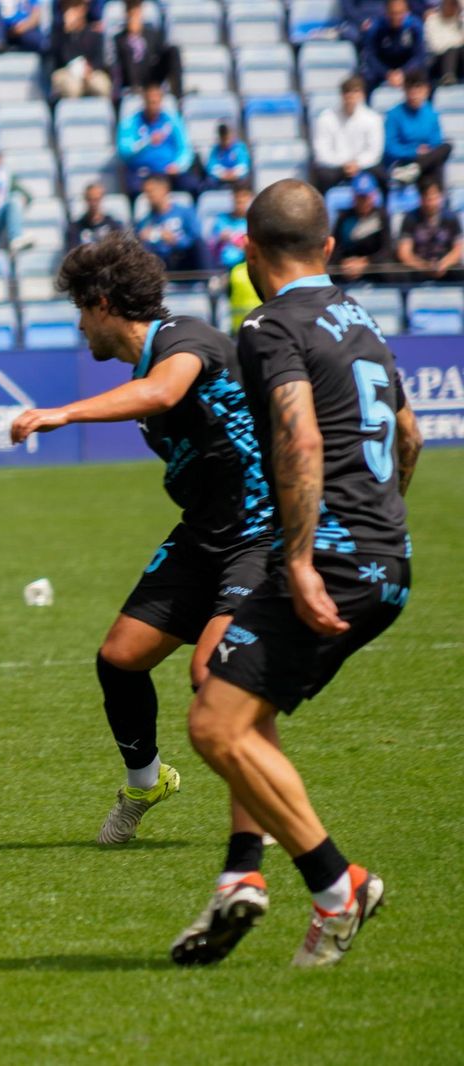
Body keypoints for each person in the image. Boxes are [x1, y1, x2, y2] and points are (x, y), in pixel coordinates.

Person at [171, 179, 423, 968]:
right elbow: (409, 438)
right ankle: (241, 875)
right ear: (328, 250)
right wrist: (379, 528)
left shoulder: (268, 324)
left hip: (334, 558)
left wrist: (306, 559)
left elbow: (300, 440)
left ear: (247, 253)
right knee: (228, 684)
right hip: (386, 556)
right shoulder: (361, 322)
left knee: (212, 725)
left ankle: (337, 884)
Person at [10, 231, 275, 846]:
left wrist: (64, 412)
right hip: (205, 536)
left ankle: (258, 823)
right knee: (119, 659)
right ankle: (146, 780)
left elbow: (163, 391)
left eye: (80, 309)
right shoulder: (146, 361)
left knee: (214, 674)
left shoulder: (186, 337)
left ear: (103, 303)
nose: (79, 326)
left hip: (262, 534)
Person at [118, 84, 201, 198]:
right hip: (143, 172)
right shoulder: (132, 122)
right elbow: (124, 151)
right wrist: (147, 142)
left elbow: (185, 147)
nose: (153, 106)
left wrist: (178, 165)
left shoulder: (172, 120)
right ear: (144, 101)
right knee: (133, 188)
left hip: (169, 171)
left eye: (156, 102)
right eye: (150, 102)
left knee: (192, 184)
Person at [310, 75, 385, 193]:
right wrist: (344, 164)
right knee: (320, 177)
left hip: (363, 166)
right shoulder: (326, 118)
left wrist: (358, 163)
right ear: (341, 95)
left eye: (355, 92)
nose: (351, 97)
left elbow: (374, 151)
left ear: (362, 95)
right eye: (347, 92)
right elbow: (321, 152)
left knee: (383, 177)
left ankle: (383, 210)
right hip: (336, 167)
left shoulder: (373, 118)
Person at [383, 71, 451, 186]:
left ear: (426, 91)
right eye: (410, 90)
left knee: (447, 147)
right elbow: (390, 147)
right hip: (403, 163)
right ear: (404, 91)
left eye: (418, 90)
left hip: (425, 162)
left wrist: (426, 152)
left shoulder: (431, 113)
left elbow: (436, 142)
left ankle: (415, 170)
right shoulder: (394, 114)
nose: (414, 95)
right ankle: (414, 169)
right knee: (434, 164)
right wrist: (414, 152)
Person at [329, 172, 393, 282]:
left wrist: (365, 262)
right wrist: (344, 263)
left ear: (373, 196)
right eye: (360, 197)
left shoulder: (382, 217)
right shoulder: (344, 218)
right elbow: (336, 248)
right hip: (347, 267)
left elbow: (387, 249)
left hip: (373, 267)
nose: (363, 201)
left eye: (366, 197)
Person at [134, 174, 205, 273]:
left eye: (152, 191)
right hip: (159, 261)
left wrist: (175, 240)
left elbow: (195, 236)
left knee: (199, 245)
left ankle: (208, 279)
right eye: (146, 192)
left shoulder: (185, 212)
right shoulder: (145, 221)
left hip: (184, 257)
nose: (149, 196)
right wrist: (142, 238)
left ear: (165, 189)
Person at [396, 178, 464, 280]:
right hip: (419, 267)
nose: (431, 203)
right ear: (421, 199)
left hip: (445, 266)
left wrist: (444, 264)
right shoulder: (410, 219)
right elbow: (404, 253)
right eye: (427, 198)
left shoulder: (451, 218)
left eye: (434, 197)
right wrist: (424, 267)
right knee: (401, 276)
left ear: (441, 197)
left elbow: (458, 249)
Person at [114, 0, 182, 97]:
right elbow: (118, 65)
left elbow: (160, 55)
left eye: (136, 11)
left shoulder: (152, 34)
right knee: (128, 53)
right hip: (131, 80)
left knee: (173, 50)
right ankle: (137, 89)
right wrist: (131, 36)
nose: (134, 15)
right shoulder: (119, 38)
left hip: (150, 75)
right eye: (130, 12)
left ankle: (178, 96)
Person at [51, 0, 110, 98]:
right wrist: (68, 33)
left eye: (75, 7)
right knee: (72, 87)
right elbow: (61, 60)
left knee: (100, 85)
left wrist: (89, 69)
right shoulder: (58, 34)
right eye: (67, 7)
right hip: (65, 72)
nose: (69, 11)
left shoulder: (93, 32)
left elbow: (100, 60)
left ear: (83, 9)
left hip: (90, 72)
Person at [361, 0, 426, 90]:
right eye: (393, 13)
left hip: (407, 66)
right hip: (384, 66)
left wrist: (403, 72)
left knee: (424, 77)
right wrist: (387, 74)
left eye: (400, 13)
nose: (396, 17)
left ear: (406, 12)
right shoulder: (376, 27)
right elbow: (370, 56)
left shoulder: (415, 26)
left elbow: (419, 56)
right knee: (367, 78)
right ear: (386, 12)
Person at [207, 184, 252, 270]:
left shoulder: (254, 221)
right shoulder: (221, 219)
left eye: (243, 202)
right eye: (238, 202)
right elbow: (211, 244)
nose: (240, 205)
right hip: (222, 266)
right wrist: (220, 238)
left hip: (246, 265)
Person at [69, 182, 122, 246]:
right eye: (90, 199)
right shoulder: (76, 228)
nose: (93, 203)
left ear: (102, 198)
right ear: (85, 199)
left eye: (96, 199)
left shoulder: (113, 225)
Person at [204, 124, 251, 189]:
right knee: (209, 183)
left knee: (244, 183)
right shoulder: (215, 149)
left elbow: (244, 165)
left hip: (237, 179)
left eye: (228, 138)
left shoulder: (240, 147)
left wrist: (234, 173)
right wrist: (223, 174)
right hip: (220, 180)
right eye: (223, 139)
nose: (226, 142)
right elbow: (211, 167)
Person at [428, 0, 464, 84]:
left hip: (459, 59)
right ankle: (448, 77)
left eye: (454, 5)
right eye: (448, 5)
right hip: (439, 59)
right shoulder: (432, 21)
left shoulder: (460, 22)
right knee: (452, 51)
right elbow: (436, 46)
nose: (451, 7)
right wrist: (456, 43)